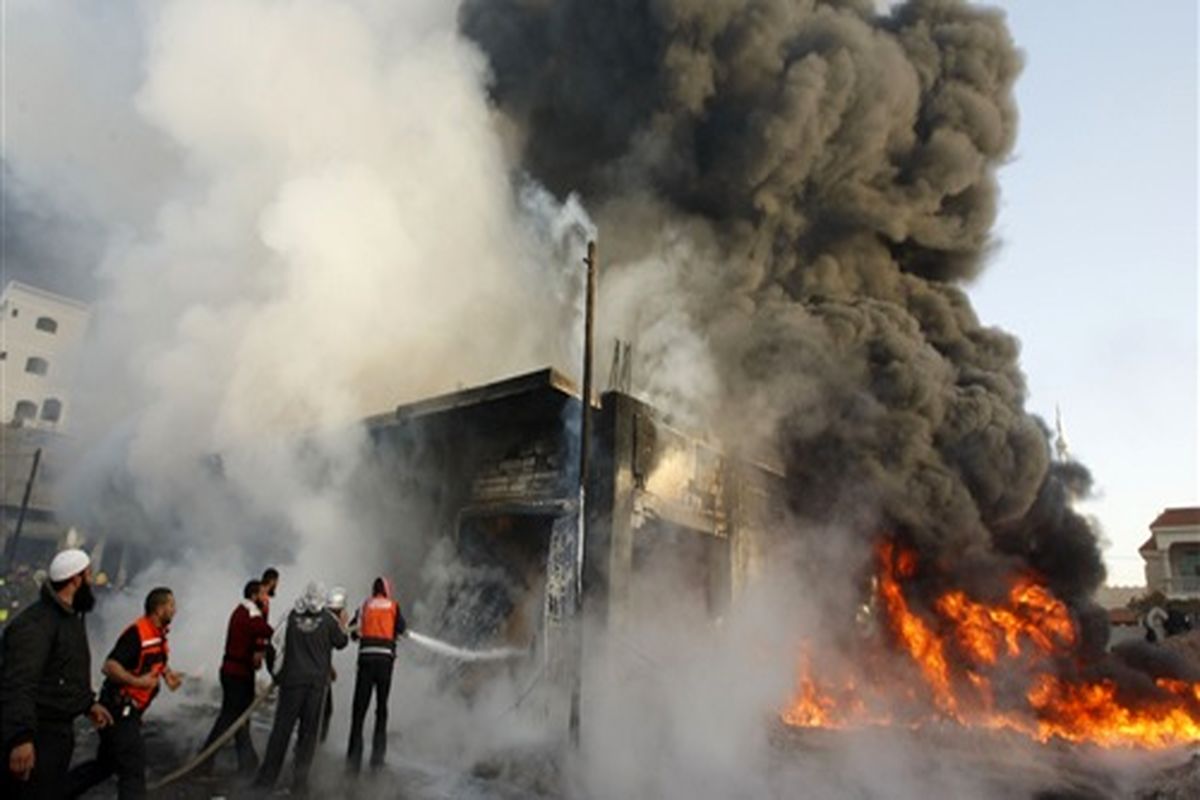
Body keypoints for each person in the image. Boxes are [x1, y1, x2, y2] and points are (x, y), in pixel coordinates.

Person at [1, 549, 113, 799]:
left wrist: (87, 704)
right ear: (76, 579)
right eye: (88, 576)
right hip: (38, 734)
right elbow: (19, 683)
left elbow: (66, 671)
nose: (92, 582)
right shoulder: (37, 624)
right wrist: (21, 738)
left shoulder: (71, 619)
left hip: (58, 735)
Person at [68, 587, 182, 799]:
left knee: (105, 765)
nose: (175, 610)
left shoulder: (157, 635)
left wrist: (167, 674)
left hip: (129, 712)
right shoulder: (137, 633)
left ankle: (55, 792)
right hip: (119, 710)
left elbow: (153, 659)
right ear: (159, 609)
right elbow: (110, 666)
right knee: (133, 768)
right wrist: (138, 681)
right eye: (171, 605)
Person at [253, 581, 348, 794]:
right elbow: (341, 642)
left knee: (281, 732)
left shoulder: (290, 617)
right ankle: (299, 785)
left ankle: (266, 781)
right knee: (307, 736)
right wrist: (342, 622)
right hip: (315, 687)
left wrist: (277, 675)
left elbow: (272, 646)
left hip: (291, 685)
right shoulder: (328, 620)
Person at [197, 580, 273, 776]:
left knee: (240, 718)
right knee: (230, 718)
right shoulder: (250, 613)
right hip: (237, 673)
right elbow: (266, 631)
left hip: (236, 672)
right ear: (254, 595)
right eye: (263, 595)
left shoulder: (242, 610)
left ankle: (247, 762)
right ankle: (204, 759)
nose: (267, 598)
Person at [346, 577, 407, 773]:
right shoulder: (393, 606)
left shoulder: (365, 606)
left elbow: (354, 633)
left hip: (366, 662)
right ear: (387, 590)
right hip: (385, 663)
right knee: (381, 709)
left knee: (359, 710)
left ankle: (353, 760)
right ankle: (377, 760)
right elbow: (402, 629)